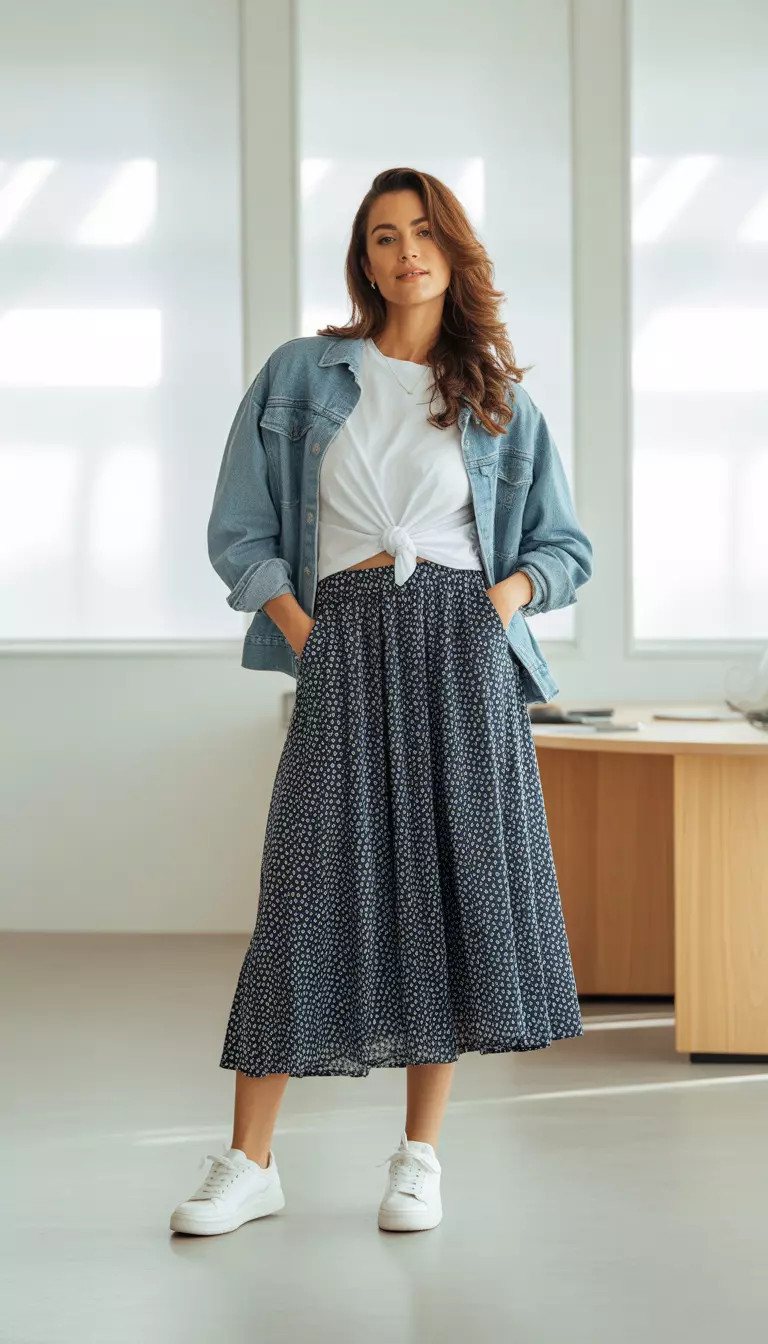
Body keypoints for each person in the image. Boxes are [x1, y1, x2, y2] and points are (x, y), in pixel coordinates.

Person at [170, 166, 593, 1238]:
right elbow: (240, 531)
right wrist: (310, 634)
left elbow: (565, 547)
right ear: (363, 260)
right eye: (381, 237)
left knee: (445, 894)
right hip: (345, 639)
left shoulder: (497, 396)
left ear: (453, 251)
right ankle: (249, 1162)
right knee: (303, 895)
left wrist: (500, 601)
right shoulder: (303, 375)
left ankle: (419, 1157)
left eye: (421, 234)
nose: (403, 253)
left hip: (461, 650)